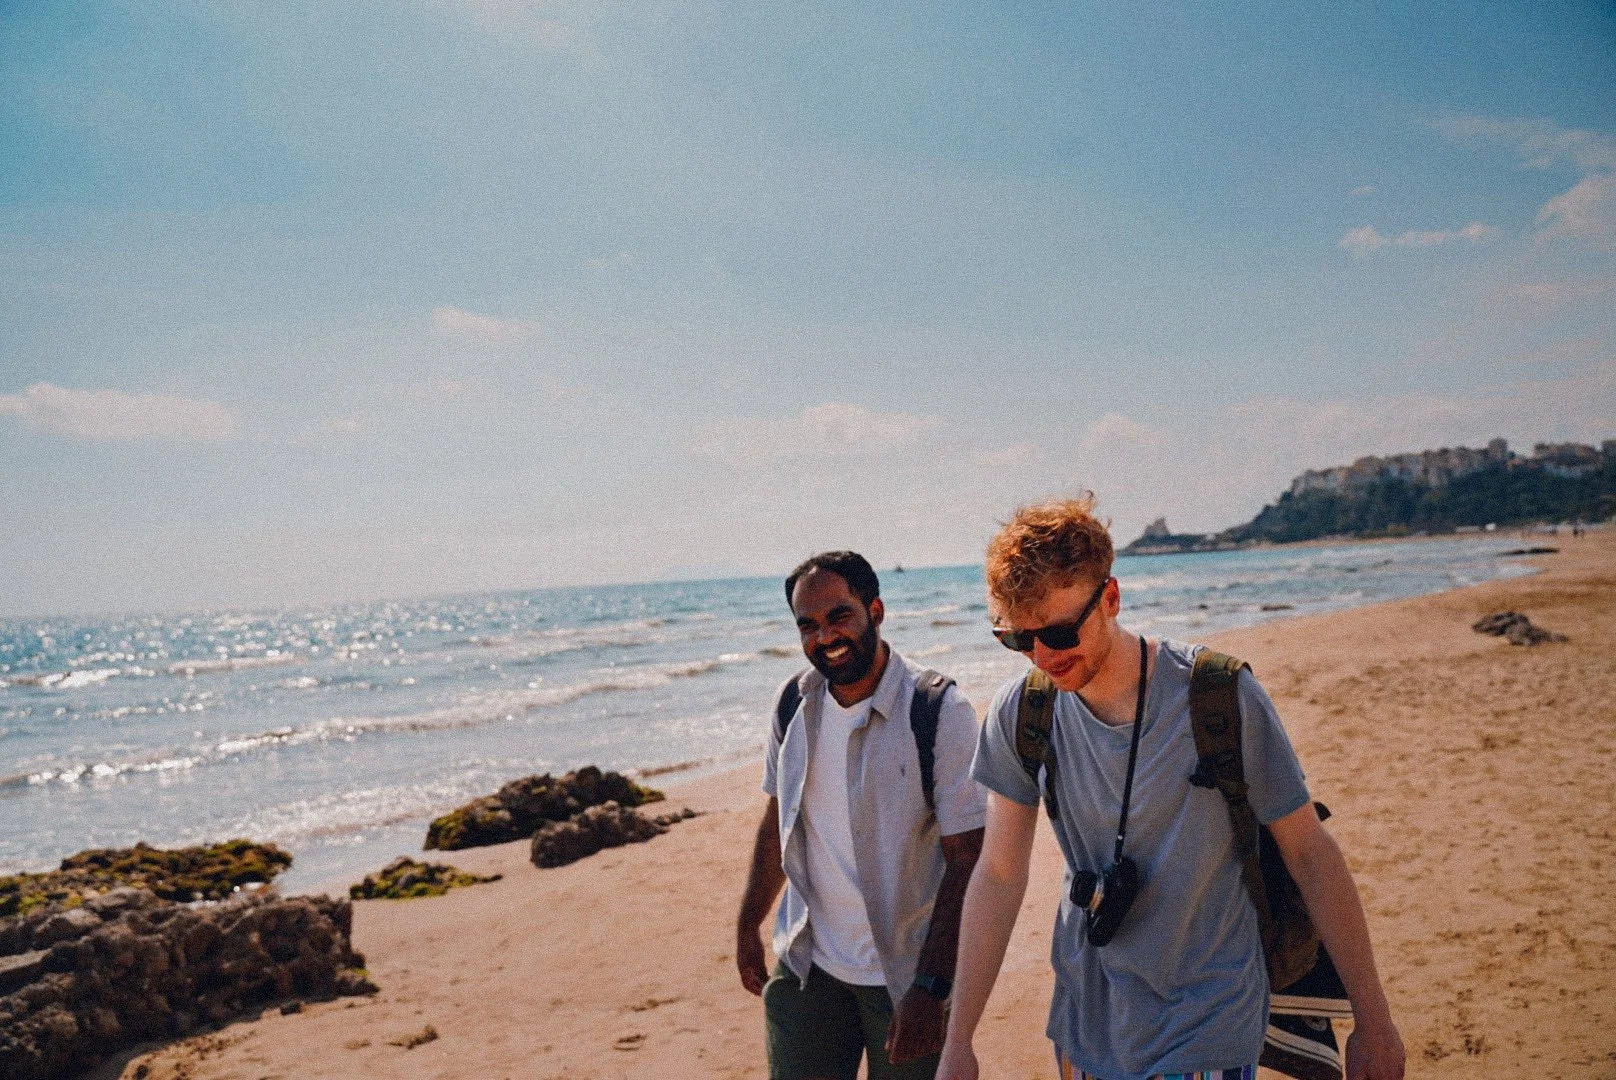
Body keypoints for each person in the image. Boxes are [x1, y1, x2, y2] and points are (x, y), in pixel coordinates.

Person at [938, 498, 1405, 1080]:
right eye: (1018, 640)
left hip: (1207, 1023)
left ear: (1110, 598)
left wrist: (1374, 1018)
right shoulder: (1022, 712)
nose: (1043, 656)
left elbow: (1309, 853)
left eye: (1058, 632)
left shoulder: (1219, 698)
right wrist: (959, 1040)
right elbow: (1000, 874)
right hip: (1084, 1029)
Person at [737, 551, 987, 1080]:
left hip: (906, 979)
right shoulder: (793, 703)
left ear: (875, 610)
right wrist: (747, 923)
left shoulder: (939, 710)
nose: (824, 637)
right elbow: (778, 818)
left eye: (838, 616)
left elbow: (967, 860)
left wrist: (931, 987)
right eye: (807, 625)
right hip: (809, 968)